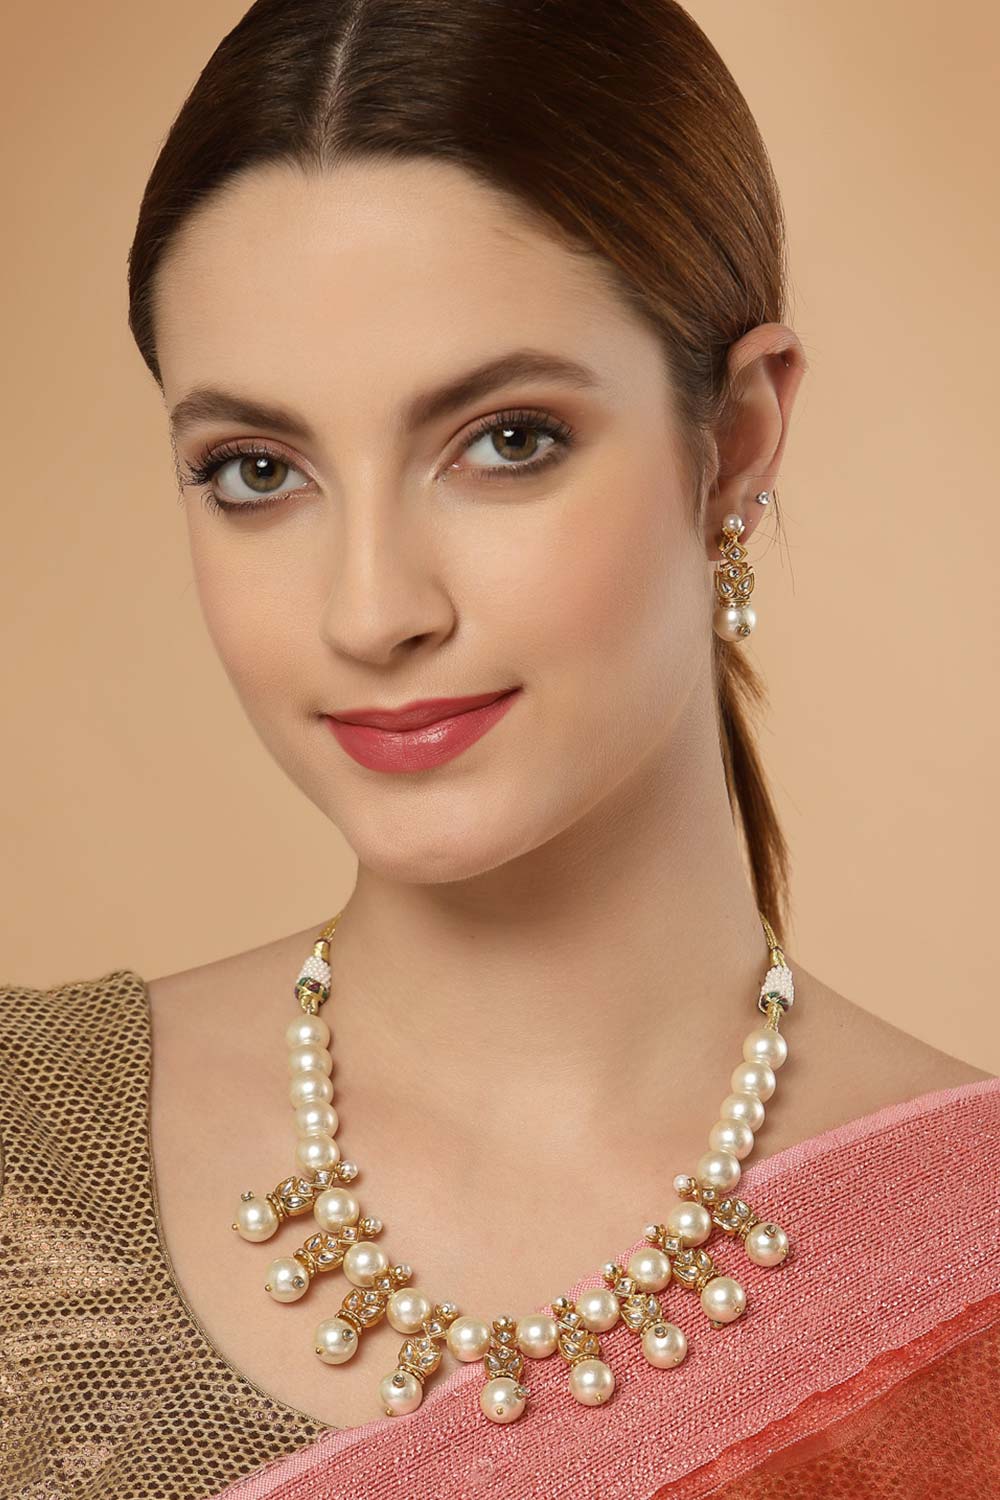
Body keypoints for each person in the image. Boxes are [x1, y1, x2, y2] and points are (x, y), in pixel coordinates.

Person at [2, 1, 997, 1496]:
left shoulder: (970, 1263)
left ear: (733, 440)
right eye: (257, 471)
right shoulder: (25, 1152)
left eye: (505, 440)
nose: (371, 610)